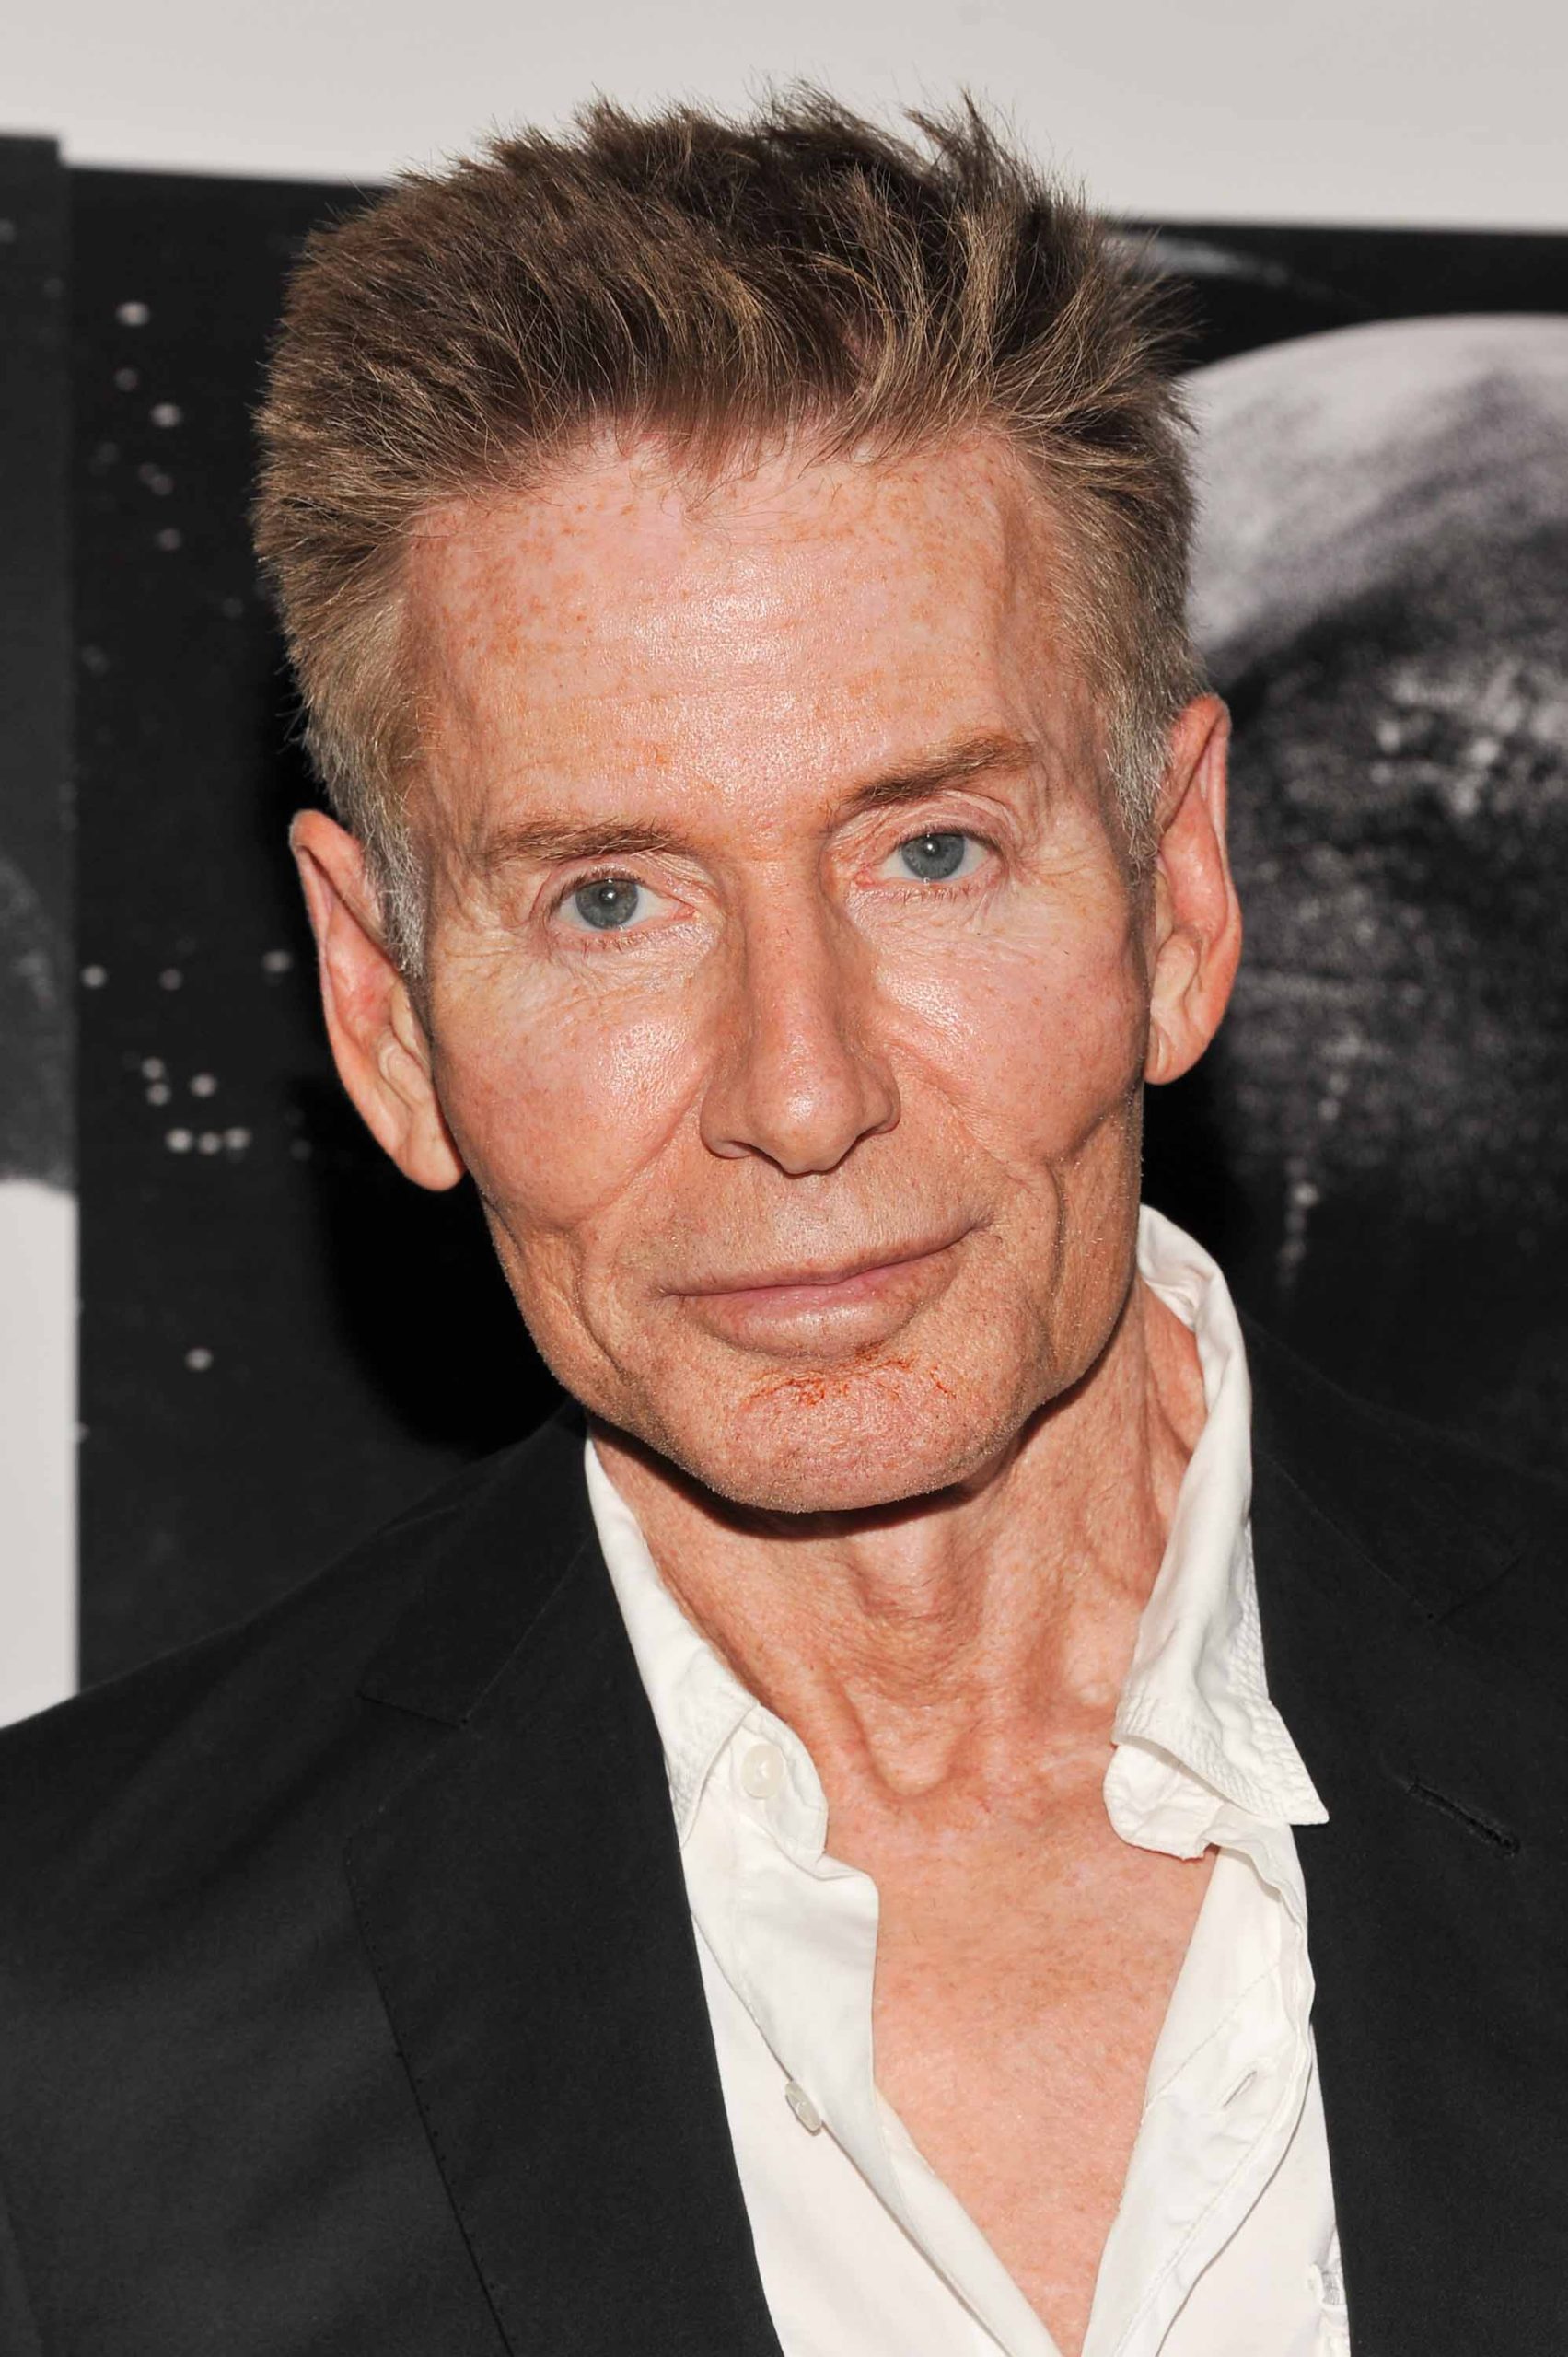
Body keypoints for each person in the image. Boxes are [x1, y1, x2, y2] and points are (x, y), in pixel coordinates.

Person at [1, 93, 1562, 2357]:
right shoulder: (63, 2021)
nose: (802, 1091)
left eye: (929, 851)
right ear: (385, 1009)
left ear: (1178, 893)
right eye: (610, 900)